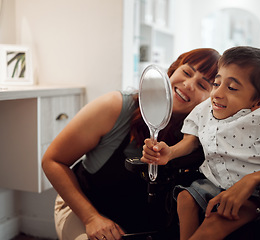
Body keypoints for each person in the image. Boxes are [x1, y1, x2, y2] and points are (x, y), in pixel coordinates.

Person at [141, 46, 260, 240]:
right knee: (185, 198)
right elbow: (191, 142)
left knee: (216, 221)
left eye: (232, 88)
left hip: (259, 192)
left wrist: (251, 181)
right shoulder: (205, 109)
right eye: (216, 83)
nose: (217, 93)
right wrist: (170, 153)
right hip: (214, 182)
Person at [41, 48, 220, 240]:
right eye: (186, 72)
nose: (188, 84)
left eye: (202, 85)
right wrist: (91, 218)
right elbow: (53, 161)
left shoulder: (201, 135)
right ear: (172, 71)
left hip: (138, 221)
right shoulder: (115, 106)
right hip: (85, 207)